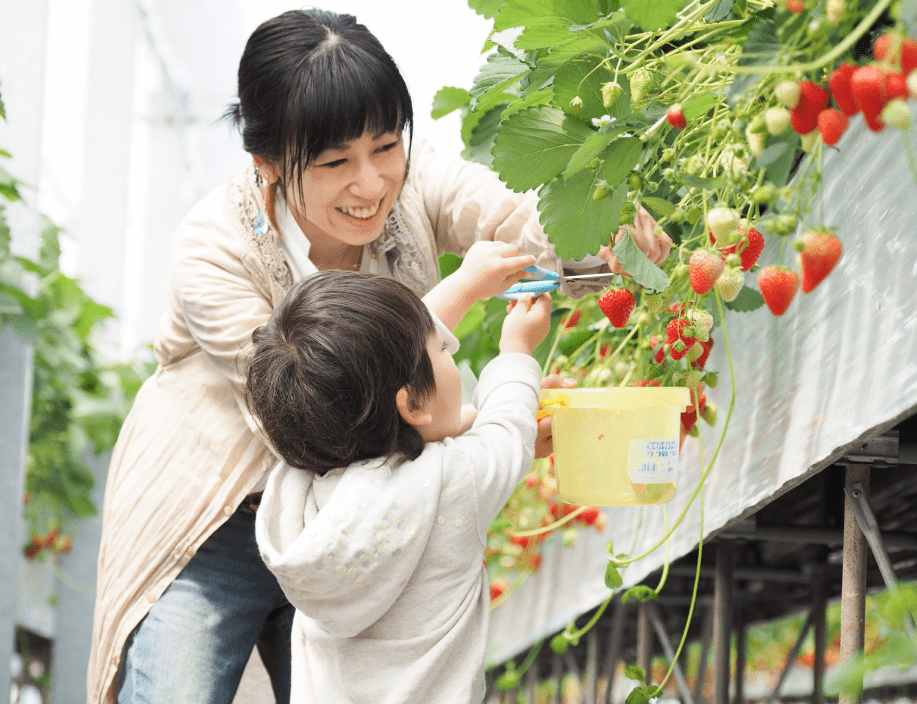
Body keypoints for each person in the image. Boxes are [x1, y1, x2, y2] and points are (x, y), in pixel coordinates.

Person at [86, 8, 671, 704]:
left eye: (386, 145)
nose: (372, 184)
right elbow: (311, 402)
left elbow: (512, 220)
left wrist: (599, 231)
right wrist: (470, 346)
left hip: (358, 518)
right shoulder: (213, 250)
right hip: (217, 521)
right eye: (335, 162)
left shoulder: (414, 184)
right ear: (267, 164)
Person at [246, 270, 550, 704]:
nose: (449, 350)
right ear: (411, 403)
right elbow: (508, 431)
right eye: (442, 346)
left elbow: (429, 436)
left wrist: (469, 418)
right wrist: (516, 350)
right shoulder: (453, 482)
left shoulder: (302, 493)